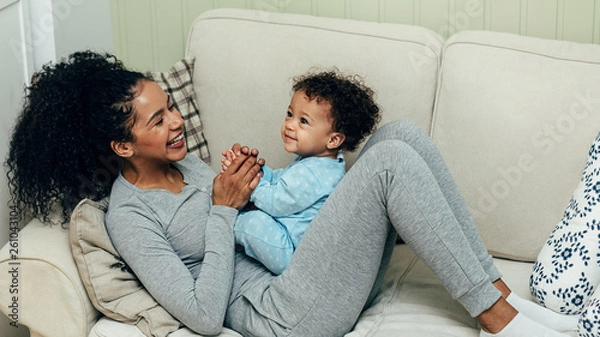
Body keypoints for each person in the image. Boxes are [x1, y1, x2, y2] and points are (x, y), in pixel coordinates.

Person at [5, 51, 576, 337]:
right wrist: (226, 210)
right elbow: (203, 316)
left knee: (398, 137)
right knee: (391, 164)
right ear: (123, 147)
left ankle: (498, 291)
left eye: (172, 107)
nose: (176, 123)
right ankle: (500, 319)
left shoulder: (188, 161)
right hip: (287, 315)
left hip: (308, 271)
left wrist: (254, 184)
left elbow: (260, 213)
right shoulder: (129, 218)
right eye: (157, 121)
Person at [220, 71, 381, 275]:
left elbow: (275, 202)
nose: (289, 125)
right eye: (290, 114)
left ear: (333, 140)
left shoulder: (315, 175)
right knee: (249, 210)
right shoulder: (320, 164)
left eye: (303, 121)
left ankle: (225, 228)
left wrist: (250, 184)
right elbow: (282, 181)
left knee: (250, 222)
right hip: (285, 237)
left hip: (293, 253)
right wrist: (254, 170)